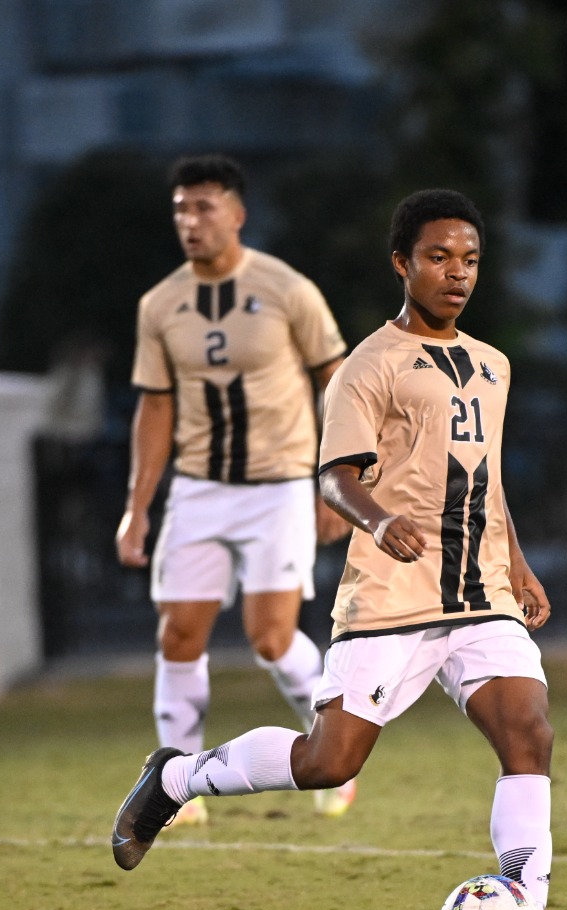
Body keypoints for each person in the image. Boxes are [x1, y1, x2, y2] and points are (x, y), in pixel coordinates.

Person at [112, 188, 567, 910]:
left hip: (480, 592)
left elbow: (486, 478)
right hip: (392, 594)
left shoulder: (493, 365)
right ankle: (176, 777)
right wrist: (379, 520)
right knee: (330, 761)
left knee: (530, 733)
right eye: (439, 257)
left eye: (470, 259)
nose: (457, 274)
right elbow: (334, 478)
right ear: (402, 263)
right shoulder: (366, 366)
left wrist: (515, 560)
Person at [117, 154, 355, 827]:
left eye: (204, 207)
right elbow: (155, 407)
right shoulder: (159, 304)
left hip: (277, 486)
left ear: (237, 214)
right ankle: (173, 781)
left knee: (271, 635)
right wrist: (137, 508)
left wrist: (334, 479)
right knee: (179, 631)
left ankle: (334, 756)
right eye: (180, 210)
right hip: (196, 489)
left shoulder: (286, 288)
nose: (190, 222)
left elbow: (335, 381)